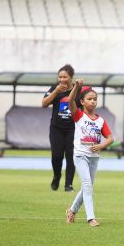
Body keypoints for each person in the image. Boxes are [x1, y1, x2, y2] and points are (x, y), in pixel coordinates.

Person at [65, 79, 113, 227]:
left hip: (94, 157)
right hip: (81, 155)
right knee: (87, 184)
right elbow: (70, 100)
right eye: (89, 99)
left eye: (95, 99)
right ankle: (91, 218)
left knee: (88, 185)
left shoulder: (100, 121)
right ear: (82, 102)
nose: (93, 102)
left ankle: (72, 210)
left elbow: (110, 138)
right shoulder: (79, 116)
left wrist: (101, 145)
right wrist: (77, 87)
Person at [42, 64, 77, 192]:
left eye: (65, 77)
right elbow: (44, 104)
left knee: (71, 155)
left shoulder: (77, 90)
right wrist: (56, 91)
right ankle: (56, 176)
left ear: (71, 77)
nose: (62, 79)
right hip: (57, 128)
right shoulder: (54, 88)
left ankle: (68, 184)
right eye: (60, 77)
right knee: (57, 156)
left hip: (73, 129)